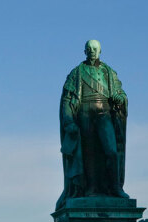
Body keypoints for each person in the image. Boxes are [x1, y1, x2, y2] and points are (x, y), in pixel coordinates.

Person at [56, 40, 129, 210]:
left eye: (95, 49)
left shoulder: (109, 72)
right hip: (84, 114)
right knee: (89, 155)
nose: (92, 52)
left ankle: (115, 187)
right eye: (89, 49)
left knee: (111, 151)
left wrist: (120, 97)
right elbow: (67, 100)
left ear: (100, 51)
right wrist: (69, 122)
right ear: (84, 51)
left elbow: (120, 92)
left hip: (104, 113)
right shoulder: (76, 73)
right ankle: (90, 189)